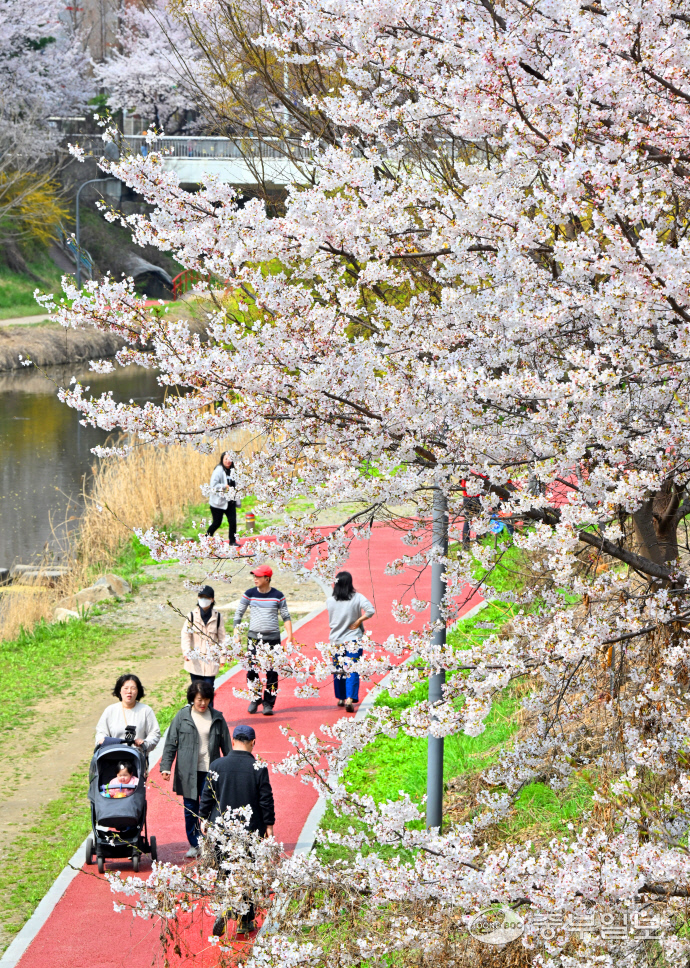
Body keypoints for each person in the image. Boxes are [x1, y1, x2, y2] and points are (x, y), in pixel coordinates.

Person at [199, 724, 275, 936]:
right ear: (253, 743)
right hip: (250, 830)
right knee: (248, 873)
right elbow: (265, 799)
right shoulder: (258, 767)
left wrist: (203, 817)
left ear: (232, 742)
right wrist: (269, 825)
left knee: (224, 869)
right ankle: (245, 920)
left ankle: (225, 904)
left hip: (221, 829)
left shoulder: (217, 764)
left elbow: (208, 795)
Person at [160, 680, 231, 858]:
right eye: (199, 699)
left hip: (211, 770)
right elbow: (170, 742)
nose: (202, 703)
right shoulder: (182, 716)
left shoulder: (217, 717)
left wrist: (231, 767)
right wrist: (166, 766)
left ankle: (210, 843)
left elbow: (227, 745)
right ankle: (194, 843)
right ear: (193, 698)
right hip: (188, 771)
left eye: (206, 699)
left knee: (211, 807)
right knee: (191, 808)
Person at [234, 565, 293, 716]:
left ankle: (268, 704)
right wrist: (237, 633)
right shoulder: (249, 594)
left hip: (273, 640)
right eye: (254, 576)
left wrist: (290, 637)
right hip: (254, 639)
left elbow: (286, 616)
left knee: (272, 673)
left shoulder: (278, 595)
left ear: (267, 578)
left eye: (258, 576)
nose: (255, 579)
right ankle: (255, 698)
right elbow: (238, 614)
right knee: (251, 670)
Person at [327, 571, 375, 713]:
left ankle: (341, 697)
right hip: (353, 638)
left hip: (336, 639)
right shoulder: (357, 598)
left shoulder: (330, 601)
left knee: (339, 669)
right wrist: (359, 620)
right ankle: (350, 697)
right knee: (352, 668)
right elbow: (370, 611)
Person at [181, 585, 226, 703]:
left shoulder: (218, 617)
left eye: (206, 597)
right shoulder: (191, 616)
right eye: (201, 597)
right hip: (195, 662)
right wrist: (186, 651)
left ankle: (210, 717)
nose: (203, 600)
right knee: (195, 692)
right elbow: (185, 635)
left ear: (212, 599)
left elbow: (222, 639)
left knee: (208, 691)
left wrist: (222, 657)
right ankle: (195, 717)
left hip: (211, 661)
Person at [95, 674, 160, 753]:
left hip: (137, 757)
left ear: (138, 691)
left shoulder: (146, 710)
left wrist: (144, 743)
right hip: (113, 756)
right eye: (126, 688)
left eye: (133, 688)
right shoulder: (110, 710)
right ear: (120, 690)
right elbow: (101, 732)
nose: (129, 691)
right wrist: (102, 740)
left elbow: (154, 733)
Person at [206, 452, 239, 546]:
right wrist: (224, 486)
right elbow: (213, 485)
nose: (228, 461)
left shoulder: (234, 470)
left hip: (230, 501)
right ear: (222, 460)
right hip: (218, 502)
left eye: (230, 459)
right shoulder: (218, 470)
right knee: (217, 522)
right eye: (226, 459)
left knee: (233, 521)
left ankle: (232, 541)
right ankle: (206, 539)